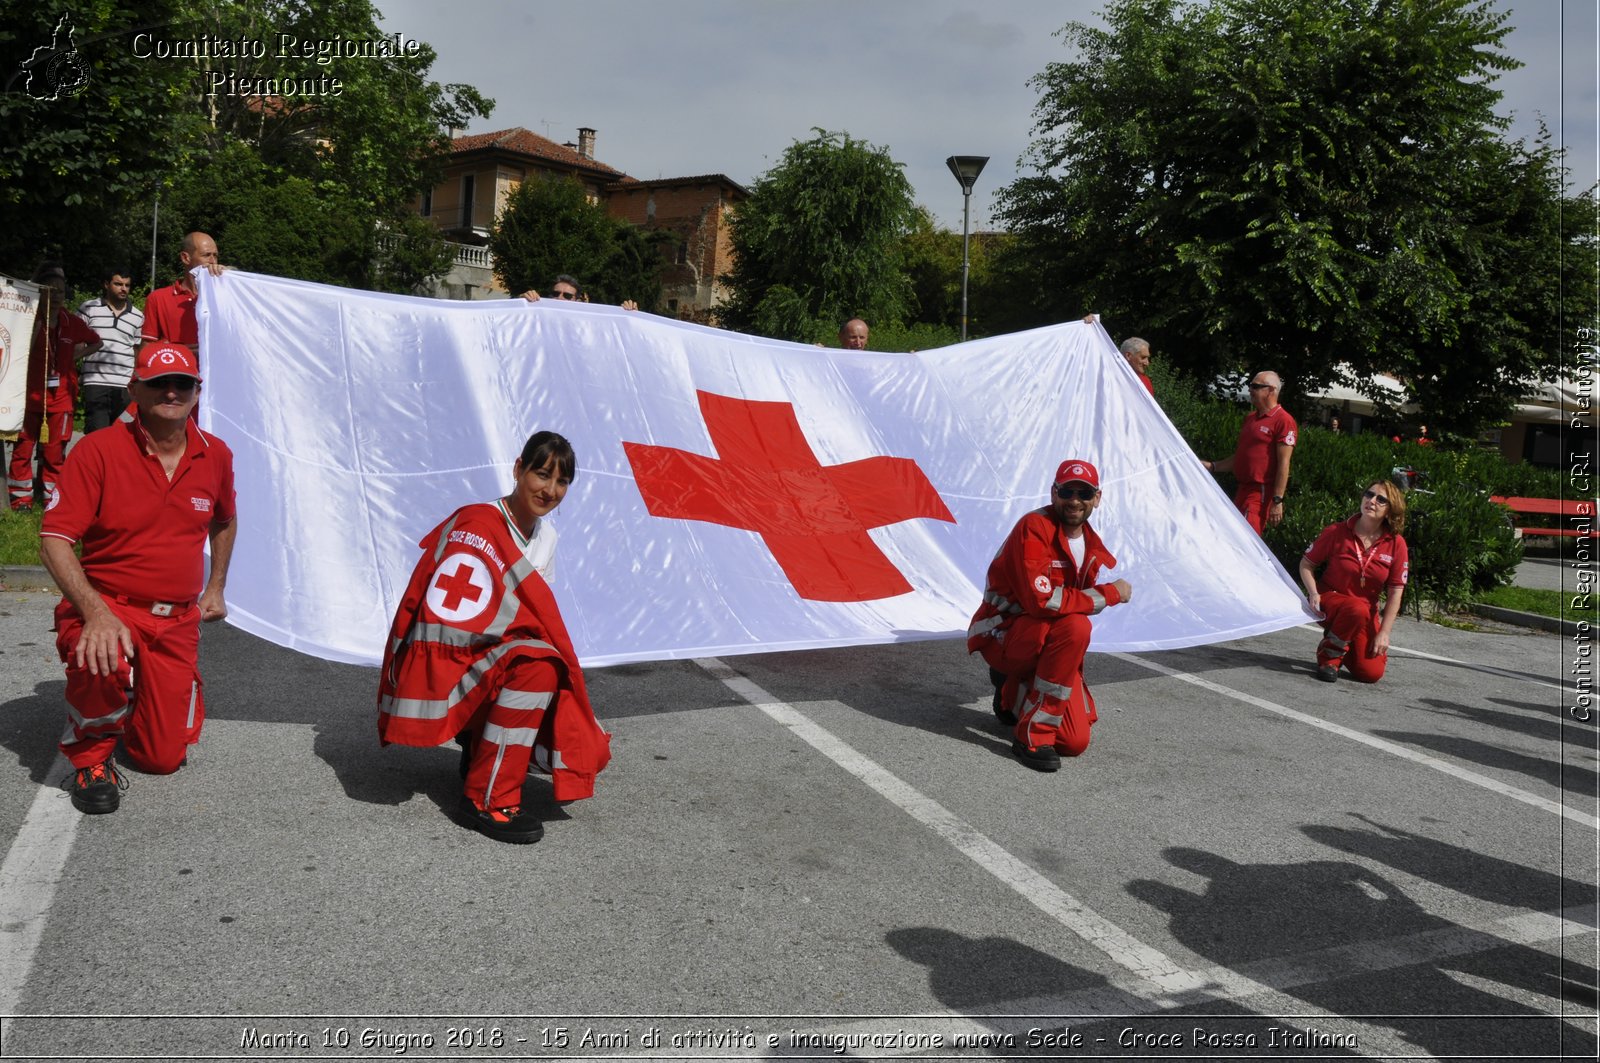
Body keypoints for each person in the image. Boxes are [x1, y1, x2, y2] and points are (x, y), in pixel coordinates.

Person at [377, 430, 611, 843]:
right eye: (542, 475)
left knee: (544, 666)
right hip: (454, 656)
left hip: (496, 660)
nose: (550, 490)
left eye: (562, 482)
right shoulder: (477, 521)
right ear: (518, 469)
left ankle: (483, 749)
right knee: (536, 667)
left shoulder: (547, 538)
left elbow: (535, 614)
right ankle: (487, 799)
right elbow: (443, 609)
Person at [39, 341, 237, 814]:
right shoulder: (98, 449)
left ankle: (149, 693)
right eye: (158, 384)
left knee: (161, 759)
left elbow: (225, 519)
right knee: (98, 653)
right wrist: (96, 613)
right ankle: (91, 757)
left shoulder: (217, 455)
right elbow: (53, 540)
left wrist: (216, 587)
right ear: (135, 389)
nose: (171, 392)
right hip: (112, 606)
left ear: (196, 392)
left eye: (182, 384)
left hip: (176, 619)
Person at [967, 459, 1133, 772]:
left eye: (1083, 493)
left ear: (1097, 498)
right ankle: (1031, 737)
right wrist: (1110, 593)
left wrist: (1088, 599)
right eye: (1067, 490)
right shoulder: (1033, 527)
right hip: (1004, 634)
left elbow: (1067, 602)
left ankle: (1011, 693)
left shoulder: (1091, 543)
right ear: (1053, 493)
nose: (1074, 500)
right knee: (1076, 626)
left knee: (1074, 742)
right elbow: (1042, 602)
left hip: (1043, 638)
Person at [7, 263, 101, 510]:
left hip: (61, 399)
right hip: (29, 397)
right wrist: (35, 332)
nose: (57, 295)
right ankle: (21, 499)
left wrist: (72, 357)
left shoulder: (71, 321)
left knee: (54, 453)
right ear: (41, 291)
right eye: (51, 290)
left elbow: (95, 342)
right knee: (22, 449)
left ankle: (52, 499)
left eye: (61, 291)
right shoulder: (29, 319)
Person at [1298, 480, 1409, 684]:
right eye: (1369, 495)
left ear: (1390, 510)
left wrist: (1384, 632)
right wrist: (1313, 593)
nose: (1372, 501)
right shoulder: (1337, 531)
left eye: (1380, 499)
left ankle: (1342, 638)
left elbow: (1395, 592)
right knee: (1356, 609)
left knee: (1370, 673)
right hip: (1330, 600)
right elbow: (1306, 564)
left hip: (1364, 612)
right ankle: (1329, 658)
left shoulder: (1396, 543)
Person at [1200, 370, 1297, 533]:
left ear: (1271, 390)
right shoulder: (1251, 418)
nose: (1250, 390)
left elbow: (1284, 463)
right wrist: (1213, 466)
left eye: (1256, 386)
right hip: (1243, 488)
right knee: (1231, 536)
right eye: (1250, 386)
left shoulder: (1284, 420)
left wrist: (1278, 500)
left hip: (1260, 492)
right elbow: (1242, 456)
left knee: (1245, 539)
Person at [75, 268, 144, 432]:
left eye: (127, 285)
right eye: (118, 284)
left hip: (124, 385)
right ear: (106, 284)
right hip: (95, 381)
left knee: (123, 435)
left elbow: (137, 350)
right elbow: (77, 343)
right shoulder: (88, 308)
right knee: (96, 433)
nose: (123, 289)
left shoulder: (138, 316)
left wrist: (135, 380)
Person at [141, 231, 222, 356]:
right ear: (185, 258)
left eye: (215, 256)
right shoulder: (158, 298)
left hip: (216, 374)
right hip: (176, 374)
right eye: (206, 255)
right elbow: (145, 352)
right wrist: (180, 351)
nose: (213, 261)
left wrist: (229, 278)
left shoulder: (223, 297)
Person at [520, 274, 637, 310]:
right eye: (556, 294)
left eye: (567, 295)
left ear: (576, 299)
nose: (560, 298)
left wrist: (630, 316)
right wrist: (521, 301)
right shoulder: (538, 312)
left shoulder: (586, 321)